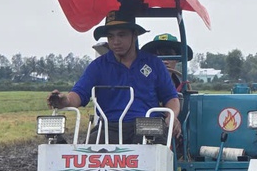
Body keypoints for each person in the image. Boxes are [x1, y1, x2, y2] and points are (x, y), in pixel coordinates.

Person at [47, 10, 181, 143]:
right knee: (92, 144)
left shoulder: (154, 63)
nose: (116, 41)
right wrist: (64, 100)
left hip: (147, 123)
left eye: (121, 35)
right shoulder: (98, 66)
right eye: (111, 37)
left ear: (134, 35)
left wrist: (171, 115)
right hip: (110, 126)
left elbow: (171, 99)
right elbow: (79, 93)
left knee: (152, 145)